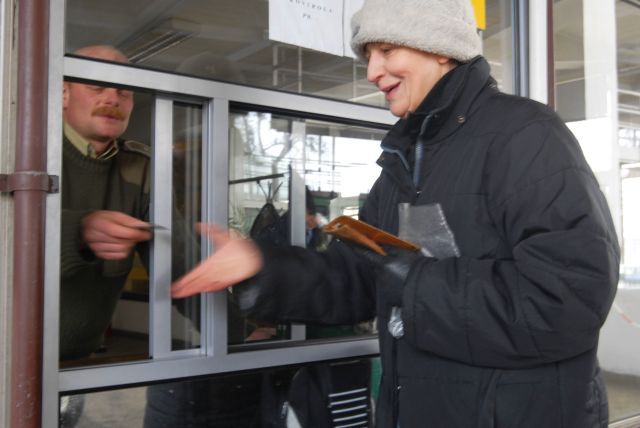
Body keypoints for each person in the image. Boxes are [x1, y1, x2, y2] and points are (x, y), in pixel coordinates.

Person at [171, 1, 620, 427]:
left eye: (386, 50)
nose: (371, 72)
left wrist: (413, 279)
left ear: (441, 49)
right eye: (367, 55)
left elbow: (567, 300)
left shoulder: (525, 136)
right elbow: (359, 275)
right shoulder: (403, 162)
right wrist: (262, 267)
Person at [60, 44, 155, 361]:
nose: (112, 98)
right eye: (96, 86)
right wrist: (78, 229)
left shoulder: (140, 167)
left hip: (79, 361)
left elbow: (178, 262)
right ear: (63, 94)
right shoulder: (18, 148)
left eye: (124, 91)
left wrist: (242, 336)